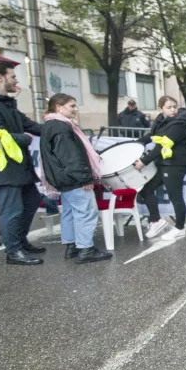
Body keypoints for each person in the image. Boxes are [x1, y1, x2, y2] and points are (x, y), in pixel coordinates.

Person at [0, 59, 44, 265]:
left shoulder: (6, 102)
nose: (16, 80)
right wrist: (24, 138)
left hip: (18, 165)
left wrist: (58, 126)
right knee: (11, 210)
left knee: (31, 200)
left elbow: (29, 124)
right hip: (2, 168)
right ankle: (13, 251)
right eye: (13, 76)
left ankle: (20, 241)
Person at [39, 94, 112, 263]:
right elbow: (70, 156)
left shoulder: (51, 125)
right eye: (72, 106)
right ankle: (85, 249)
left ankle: (71, 246)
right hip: (74, 178)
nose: (75, 109)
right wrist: (85, 179)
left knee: (70, 212)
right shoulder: (61, 127)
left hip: (63, 178)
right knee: (86, 211)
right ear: (59, 107)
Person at [135, 96, 186, 241]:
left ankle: (180, 228)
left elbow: (163, 144)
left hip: (174, 165)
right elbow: (153, 137)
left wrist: (144, 161)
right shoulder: (161, 121)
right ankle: (156, 221)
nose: (173, 109)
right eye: (169, 107)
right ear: (161, 109)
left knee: (175, 197)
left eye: (175, 106)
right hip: (162, 163)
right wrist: (134, 144)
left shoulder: (180, 123)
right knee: (146, 189)